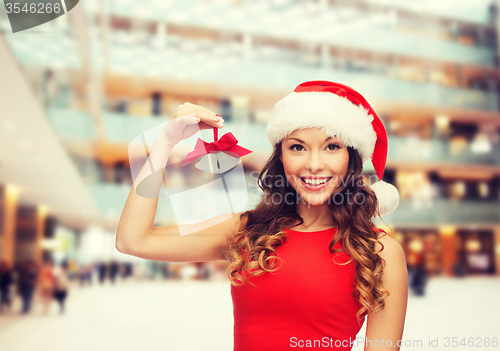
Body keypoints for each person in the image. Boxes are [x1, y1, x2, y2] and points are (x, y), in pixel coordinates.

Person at [116, 81, 408, 350]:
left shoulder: (379, 252)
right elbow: (134, 240)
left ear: (352, 156)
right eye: (297, 147)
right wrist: (165, 144)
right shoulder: (248, 230)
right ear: (281, 155)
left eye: (332, 146)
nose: (314, 164)